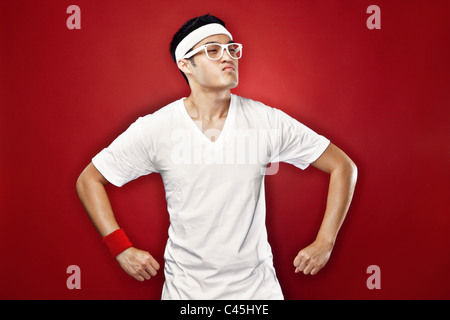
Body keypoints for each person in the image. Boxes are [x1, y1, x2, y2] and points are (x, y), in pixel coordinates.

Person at [76, 14, 357, 300]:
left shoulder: (267, 120)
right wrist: (120, 247)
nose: (228, 57)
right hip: (185, 294)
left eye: (232, 48)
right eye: (213, 50)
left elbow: (342, 166)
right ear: (185, 64)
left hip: (257, 293)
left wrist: (325, 240)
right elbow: (89, 180)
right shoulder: (156, 128)